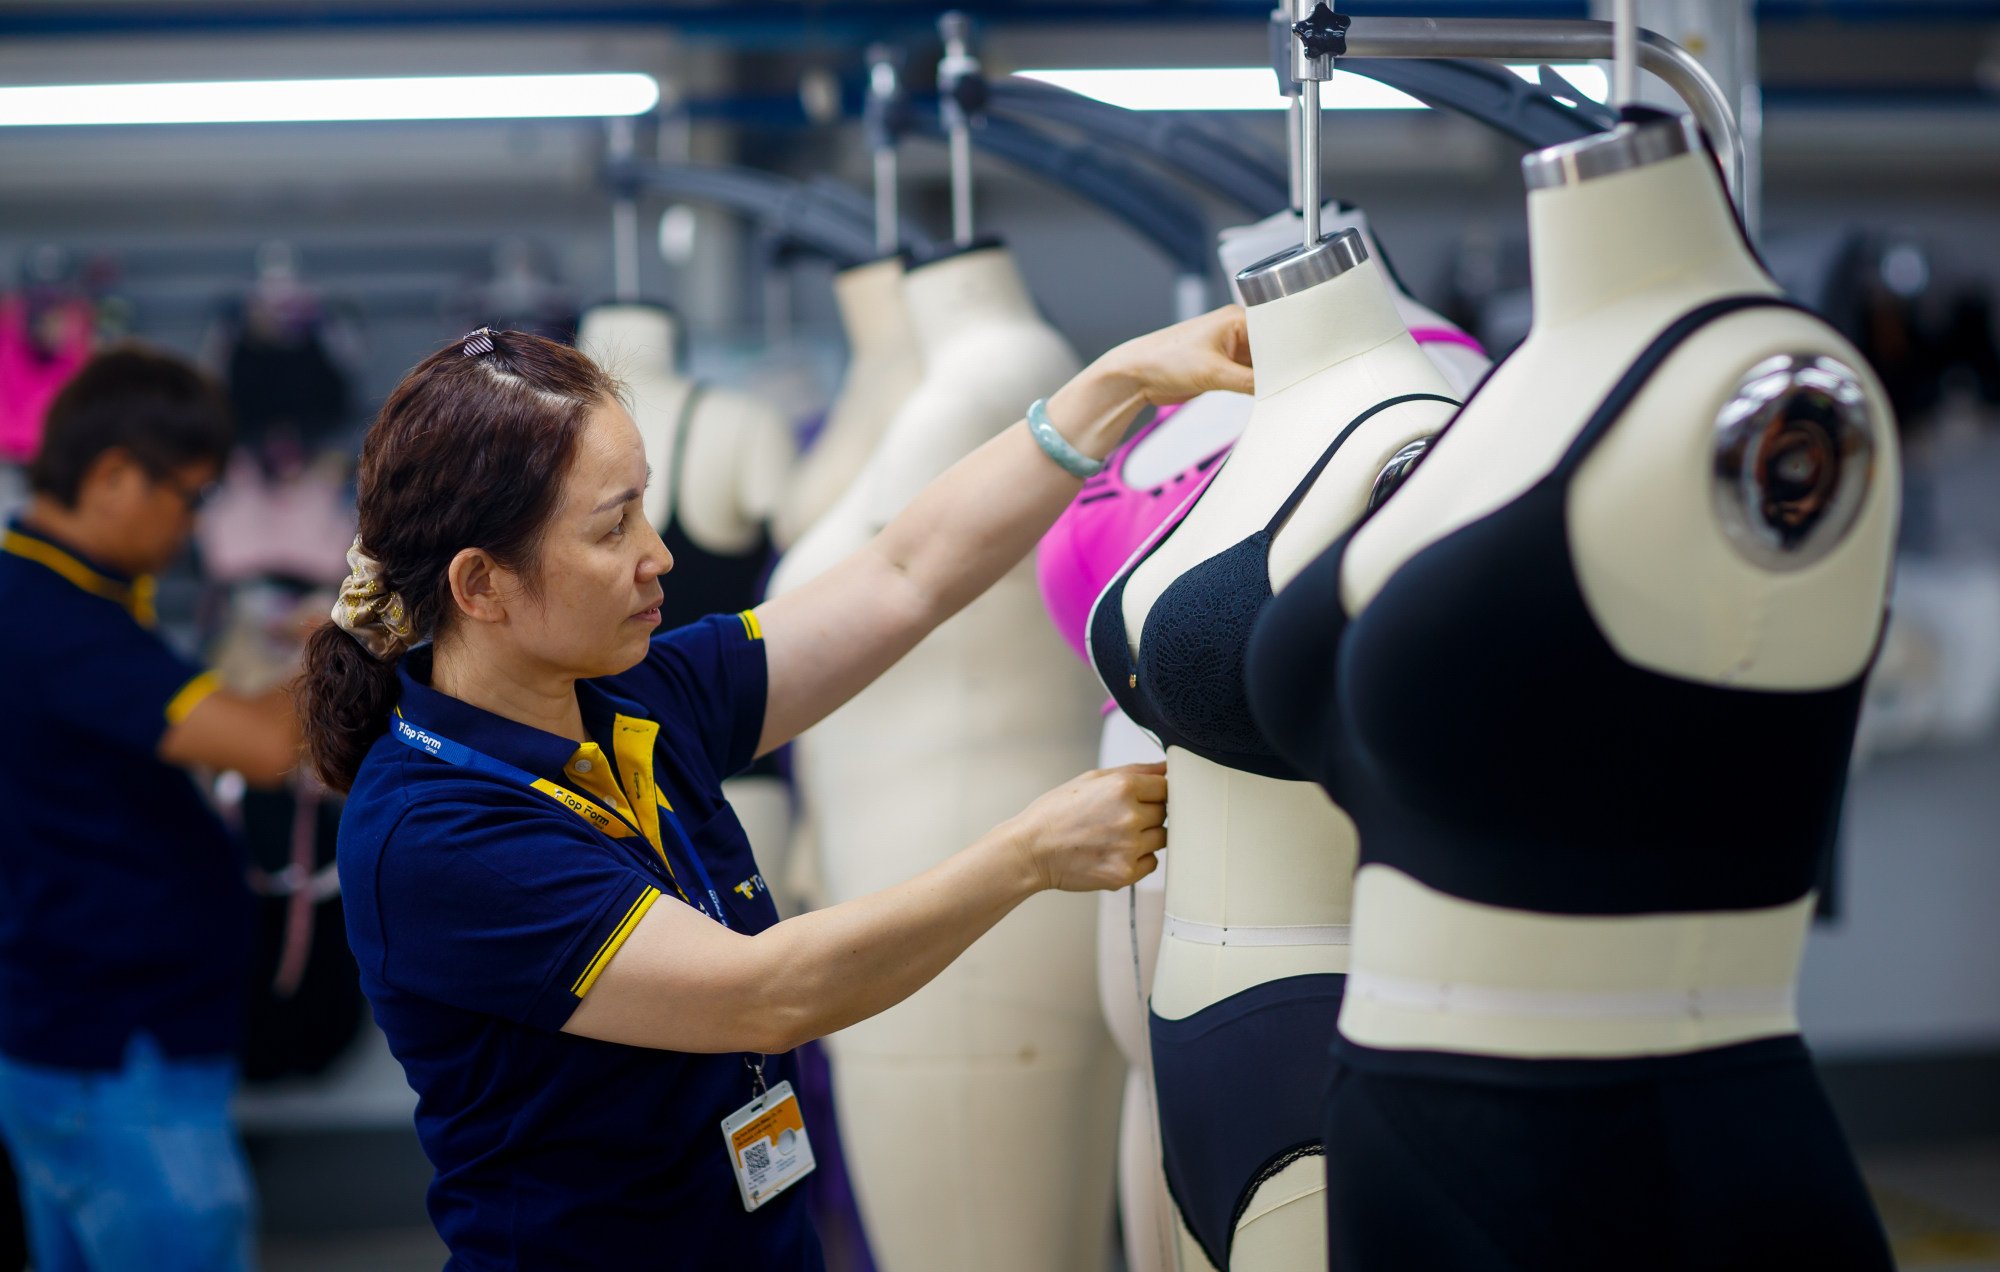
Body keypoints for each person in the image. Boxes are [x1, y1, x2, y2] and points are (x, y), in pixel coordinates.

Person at [298, 313, 1253, 1269]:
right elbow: (767, 994)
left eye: (643, 507)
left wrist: (1119, 382)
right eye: (611, 526)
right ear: (481, 585)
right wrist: (1027, 857)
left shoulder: (624, 697)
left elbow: (904, 574)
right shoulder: (433, 834)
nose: (658, 554)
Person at [0, 345, 303, 1272]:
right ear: (113, 475)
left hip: (81, 1033)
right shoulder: (51, 616)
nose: (192, 527)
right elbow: (264, 746)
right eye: (187, 495)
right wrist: (360, 640)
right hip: (114, 1051)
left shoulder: (60, 593)